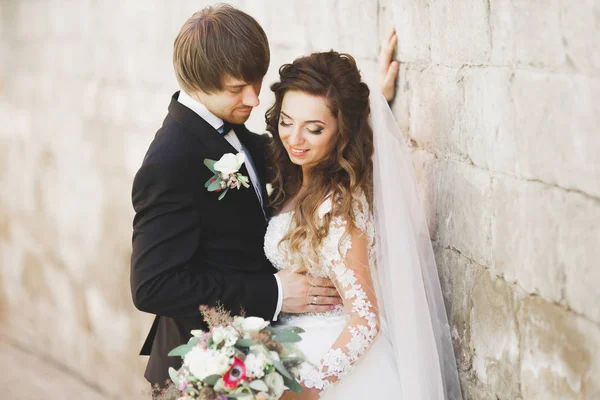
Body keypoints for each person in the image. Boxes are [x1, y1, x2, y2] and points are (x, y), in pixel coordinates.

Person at [129, 5, 345, 392]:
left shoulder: (230, 127)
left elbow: (294, 153)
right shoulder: (170, 160)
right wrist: (275, 293)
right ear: (196, 82)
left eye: (256, 81)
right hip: (205, 368)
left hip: (257, 356)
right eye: (236, 89)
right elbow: (154, 285)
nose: (253, 98)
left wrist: (354, 112)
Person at [263, 51, 462, 399]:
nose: (295, 138)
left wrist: (309, 389)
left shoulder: (336, 210)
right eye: (286, 121)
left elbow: (365, 320)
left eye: (314, 129)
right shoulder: (298, 179)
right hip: (296, 347)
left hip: (335, 367)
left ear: (342, 131)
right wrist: (376, 101)